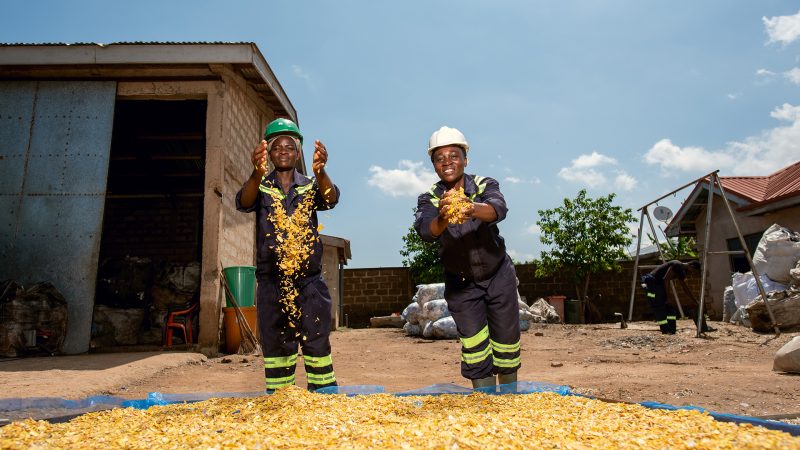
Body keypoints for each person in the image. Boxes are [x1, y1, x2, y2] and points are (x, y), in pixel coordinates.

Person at [235, 118, 340, 392]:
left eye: (290, 146)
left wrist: (321, 172)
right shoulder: (261, 186)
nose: (283, 151)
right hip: (272, 281)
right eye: (277, 147)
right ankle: (281, 399)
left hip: (309, 281)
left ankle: (324, 396)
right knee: (277, 343)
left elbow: (331, 198)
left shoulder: (309, 185)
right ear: (269, 154)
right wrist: (256, 173)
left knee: (316, 338)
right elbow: (244, 202)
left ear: (297, 152)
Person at [414, 126, 521, 389]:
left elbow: (498, 209)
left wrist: (469, 207)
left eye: (454, 155)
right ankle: (485, 401)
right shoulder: (430, 198)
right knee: (474, 346)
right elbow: (427, 231)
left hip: (498, 275)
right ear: (434, 165)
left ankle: (510, 401)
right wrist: (444, 216)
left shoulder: (484, 184)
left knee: (506, 342)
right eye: (440, 158)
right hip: (462, 284)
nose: (447, 162)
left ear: (465, 159)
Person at [641, 260, 714, 334]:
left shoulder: (681, 271)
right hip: (652, 283)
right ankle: (665, 330)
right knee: (660, 307)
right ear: (691, 266)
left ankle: (671, 329)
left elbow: (685, 287)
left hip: (659, 284)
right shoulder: (677, 265)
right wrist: (668, 297)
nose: (692, 273)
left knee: (670, 307)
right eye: (693, 271)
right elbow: (666, 279)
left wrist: (695, 301)